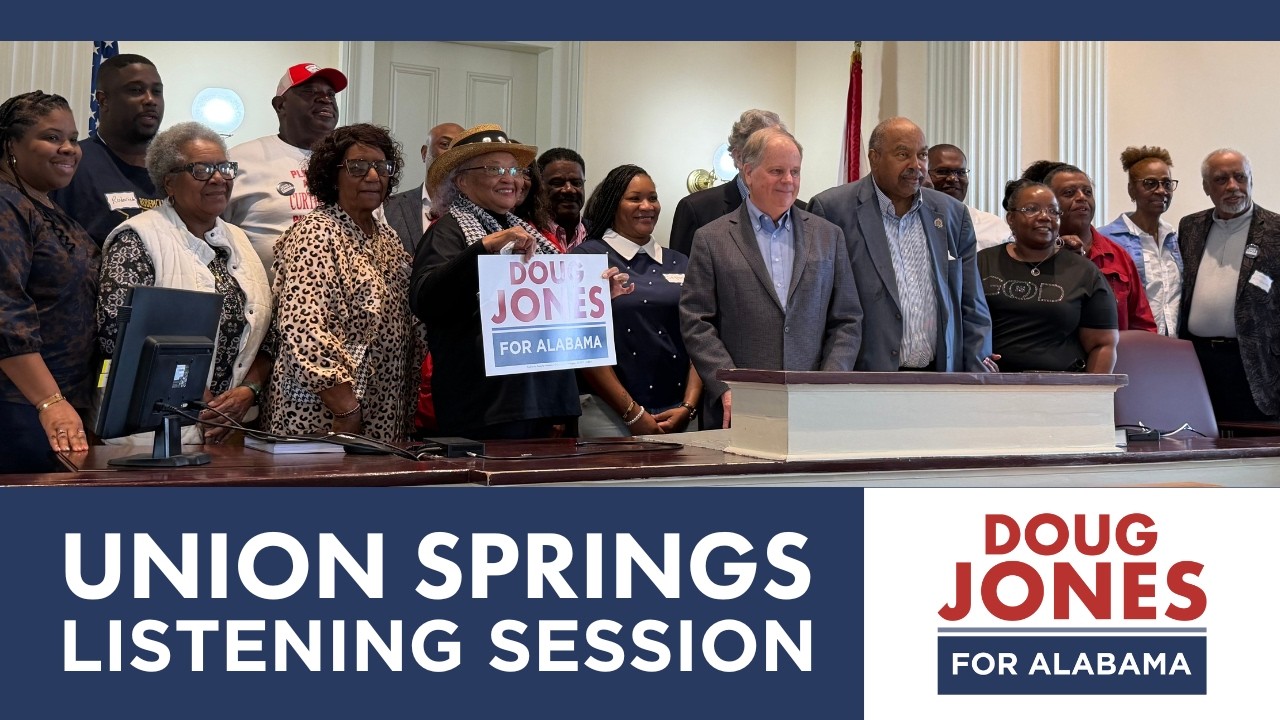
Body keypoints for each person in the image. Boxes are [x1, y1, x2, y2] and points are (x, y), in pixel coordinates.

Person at [410, 124, 630, 439]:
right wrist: (485, 247)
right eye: (493, 169)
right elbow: (426, 300)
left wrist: (595, 294)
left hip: (547, 402)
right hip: (487, 409)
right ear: (460, 180)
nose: (509, 178)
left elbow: (549, 309)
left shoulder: (532, 233)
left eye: (514, 169)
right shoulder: (448, 232)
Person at [96, 121, 272, 446]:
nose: (218, 178)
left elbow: (268, 335)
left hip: (233, 430)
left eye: (225, 167)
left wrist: (248, 391)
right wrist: (197, 397)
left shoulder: (241, 242)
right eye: (203, 169)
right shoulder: (137, 239)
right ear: (169, 182)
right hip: (151, 439)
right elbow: (117, 337)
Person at [680, 127, 861, 429]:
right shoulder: (711, 238)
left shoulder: (828, 236)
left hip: (814, 405)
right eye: (777, 171)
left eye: (795, 171)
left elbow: (848, 319)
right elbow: (696, 321)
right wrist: (726, 385)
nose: (788, 181)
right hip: (739, 406)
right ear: (748, 173)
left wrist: (829, 381)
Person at [263, 123, 424, 442]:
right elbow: (303, 328)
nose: (374, 176)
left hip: (381, 411)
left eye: (382, 167)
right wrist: (346, 410)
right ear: (331, 175)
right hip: (324, 415)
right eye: (358, 166)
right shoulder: (317, 234)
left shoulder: (385, 236)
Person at [808, 116, 995, 373]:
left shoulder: (951, 213)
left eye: (922, 155)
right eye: (902, 154)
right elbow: (817, 306)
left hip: (940, 376)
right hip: (864, 377)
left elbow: (972, 303)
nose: (916, 165)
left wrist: (976, 373)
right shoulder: (832, 209)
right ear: (874, 158)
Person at [0, 91, 100, 472]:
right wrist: (49, 402)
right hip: (19, 406)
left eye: (73, 139)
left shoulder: (42, 203)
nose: (69, 149)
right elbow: (5, 314)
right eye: (52, 137)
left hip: (60, 401)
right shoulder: (5, 204)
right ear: (11, 144)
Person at [573, 164, 701, 435]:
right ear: (612, 204)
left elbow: (701, 337)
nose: (647, 206)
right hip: (607, 413)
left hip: (679, 414)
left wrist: (688, 407)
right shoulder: (586, 258)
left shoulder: (680, 261)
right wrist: (632, 413)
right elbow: (584, 347)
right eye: (635, 198)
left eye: (653, 198)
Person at [1178, 148, 1280, 421]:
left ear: (1251, 179)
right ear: (1206, 187)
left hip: (1256, 364)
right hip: (1198, 361)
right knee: (1199, 441)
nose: (1233, 187)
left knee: (1254, 448)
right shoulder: (1190, 227)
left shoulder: (1275, 230)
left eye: (1240, 177)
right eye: (1221, 179)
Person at [978, 179, 1118, 373]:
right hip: (990, 385)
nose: (1045, 217)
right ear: (1011, 218)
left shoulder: (1084, 271)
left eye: (1053, 211)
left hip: (1062, 388)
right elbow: (960, 328)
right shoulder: (981, 263)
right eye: (1032, 209)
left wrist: (1090, 396)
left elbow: (1102, 344)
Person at [224, 62, 348, 280]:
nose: (325, 98)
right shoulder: (240, 159)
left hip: (344, 308)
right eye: (309, 91)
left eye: (331, 94)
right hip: (267, 306)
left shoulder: (352, 165)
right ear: (280, 105)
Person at [50, 53, 165, 247]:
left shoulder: (175, 171)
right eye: (136, 90)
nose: (150, 100)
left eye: (157, 91)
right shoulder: (71, 164)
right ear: (103, 101)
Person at [1040, 162, 1158, 333]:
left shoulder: (1118, 256)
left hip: (1114, 356)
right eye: (1069, 193)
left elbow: (1143, 326)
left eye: (1088, 192)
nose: (1082, 197)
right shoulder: (1036, 253)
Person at [669, 108, 802, 256]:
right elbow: (682, 274)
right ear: (739, 157)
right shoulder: (696, 210)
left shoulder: (805, 212)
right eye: (765, 147)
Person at [1097, 146, 1183, 336]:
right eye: (1150, 183)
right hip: (1130, 345)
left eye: (1167, 183)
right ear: (1131, 189)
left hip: (1175, 349)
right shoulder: (1106, 240)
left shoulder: (1176, 239)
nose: (1161, 191)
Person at [384, 121, 463, 254]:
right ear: (424, 153)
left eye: (459, 148)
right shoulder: (388, 208)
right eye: (445, 144)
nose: (452, 154)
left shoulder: (477, 213)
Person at [927, 144, 1009, 250]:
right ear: (923, 175)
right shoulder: (909, 225)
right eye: (943, 172)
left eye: (960, 172)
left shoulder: (994, 227)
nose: (953, 178)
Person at [536, 147, 588, 250]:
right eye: (557, 183)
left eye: (576, 183)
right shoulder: (526, 234)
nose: (569, 189)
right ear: (539, 186)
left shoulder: (600, 235)